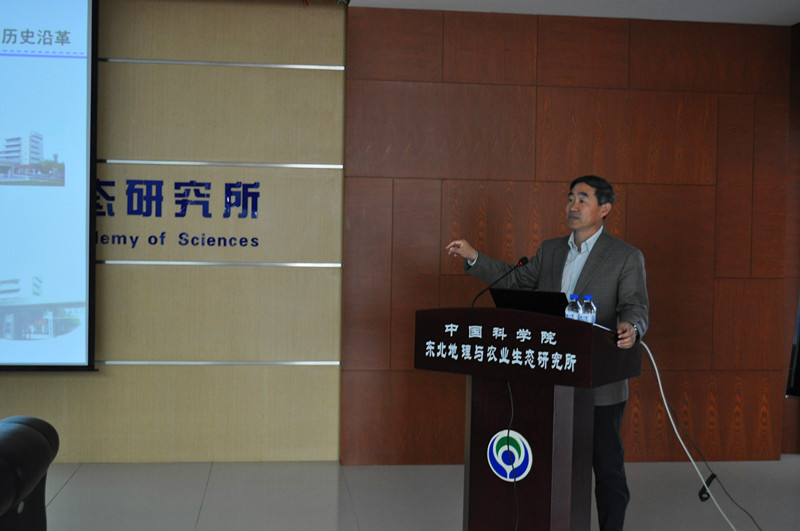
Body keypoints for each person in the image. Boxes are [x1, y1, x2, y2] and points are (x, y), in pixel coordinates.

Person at [445, 175, 649, 531]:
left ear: (604, 209)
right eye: (570, 198)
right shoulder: (552, 251)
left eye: (582, 199)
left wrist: (632, 326)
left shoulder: (625, 256)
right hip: (551, 380)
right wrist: (474, 257)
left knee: (607, 469)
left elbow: (635, 305)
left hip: (599, 382)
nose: (573, 206)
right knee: (548, 464)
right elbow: (515, 280)